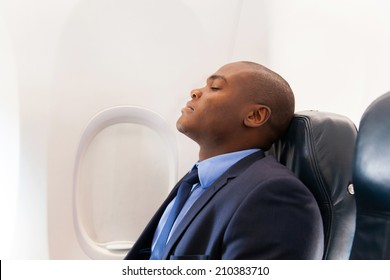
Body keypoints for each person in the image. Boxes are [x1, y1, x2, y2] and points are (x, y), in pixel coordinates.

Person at [124, 61, 324, 260]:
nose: (195, 92)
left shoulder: (275, 196)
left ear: (255, 115)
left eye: (215, 87)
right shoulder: (195, 182)